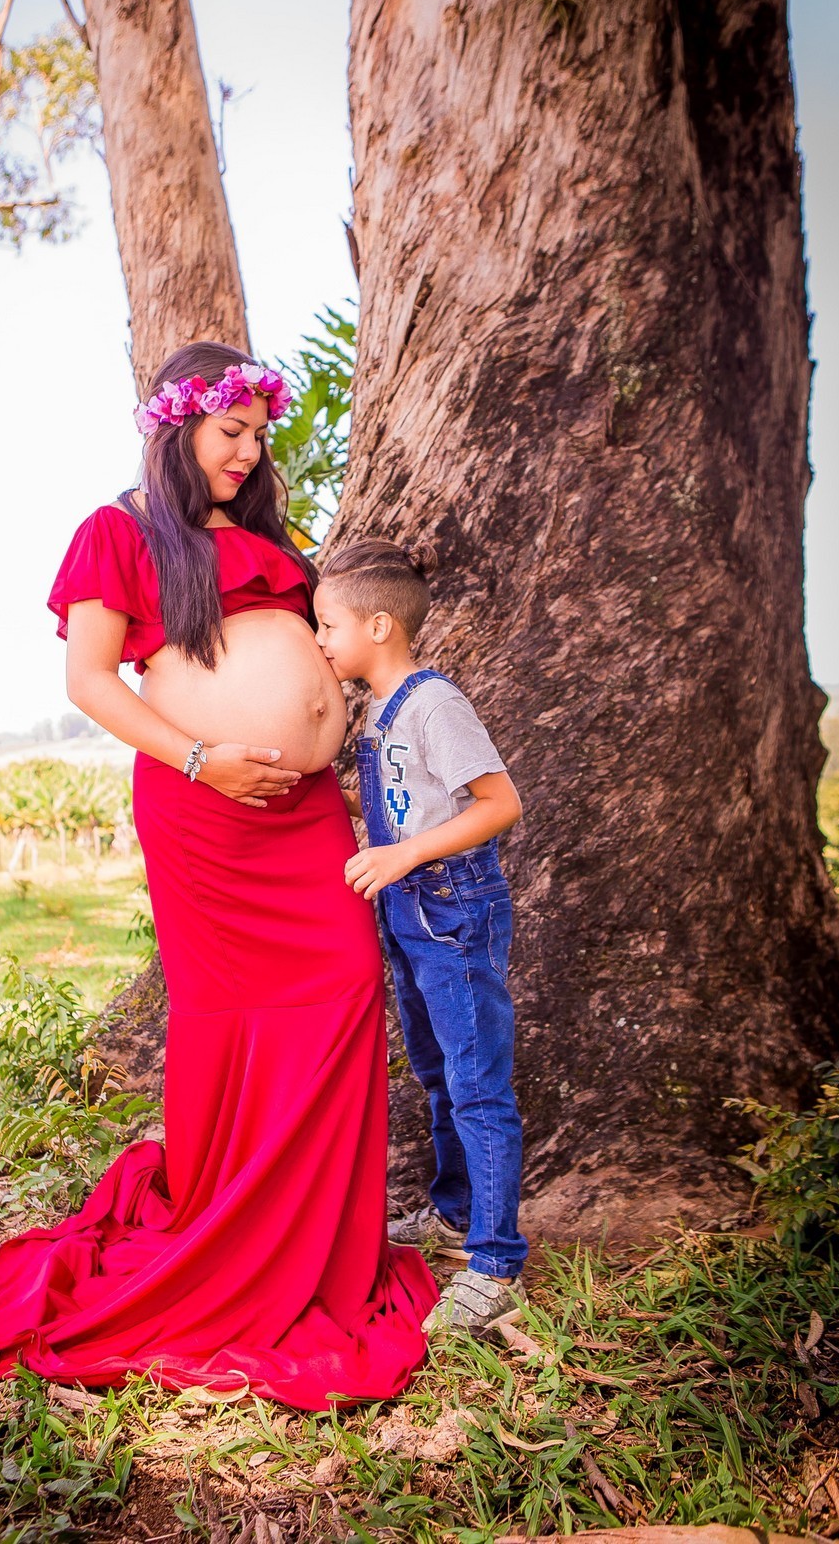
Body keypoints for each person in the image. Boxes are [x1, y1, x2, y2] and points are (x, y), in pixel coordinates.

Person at [0, 343, 437, 1409]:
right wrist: (204, 756)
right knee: (226, 1016)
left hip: (302, 815)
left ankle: (319, 1243)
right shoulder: (119, 531)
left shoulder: (271, 544)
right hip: (205, 815)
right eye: (229, 431)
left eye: (258, 435)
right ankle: (227, 1223)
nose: (247, 452)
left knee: (345, 988)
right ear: (177, 427)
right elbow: (88, 679)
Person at [313, 538, 528, 1333]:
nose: (319, 640)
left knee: (477, 1084)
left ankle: (496, 1264)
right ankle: (455, 1210)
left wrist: (403, 854)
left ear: (378, 627)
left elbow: (500, 803)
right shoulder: (380, 707)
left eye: (327, 625)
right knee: (438, 1073)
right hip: (409, 910)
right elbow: (405, 796)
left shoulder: (435, 704)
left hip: (451, 907)